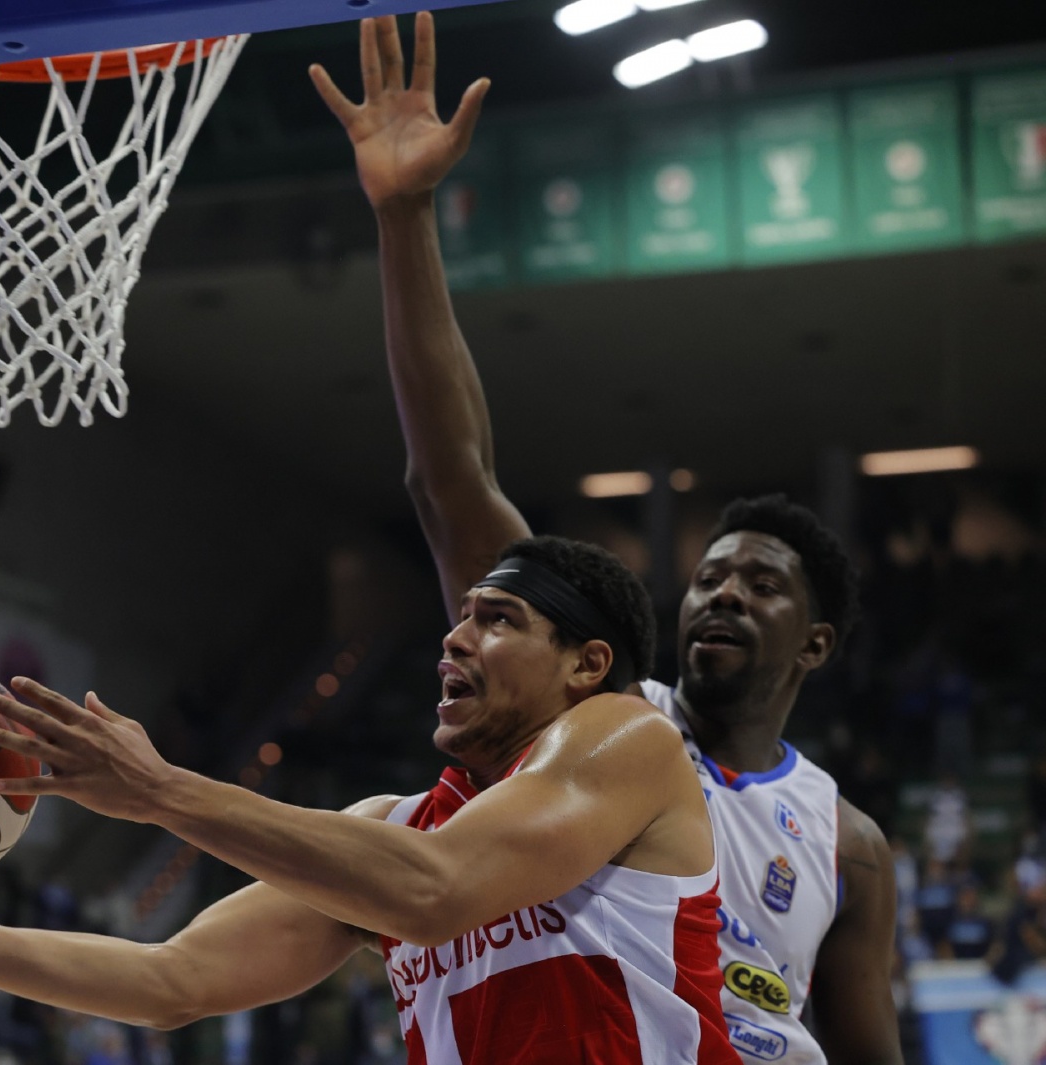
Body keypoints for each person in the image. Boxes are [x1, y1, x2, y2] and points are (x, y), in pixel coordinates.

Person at [306, 13, 900, 1065]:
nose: (722, 592)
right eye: (709, 574)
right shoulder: (591, 715)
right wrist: (405, 216)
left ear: (815, 643)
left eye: (761, 585)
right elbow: (451, 481)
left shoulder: (848, 843)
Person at [0, 537, 737, 1064]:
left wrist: (161, 790)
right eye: (459, 617)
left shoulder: (629, 738)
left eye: (498, 619)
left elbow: (437, 889)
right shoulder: (390, 830)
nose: (455, 640)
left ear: (588, 663)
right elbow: (171, 981)